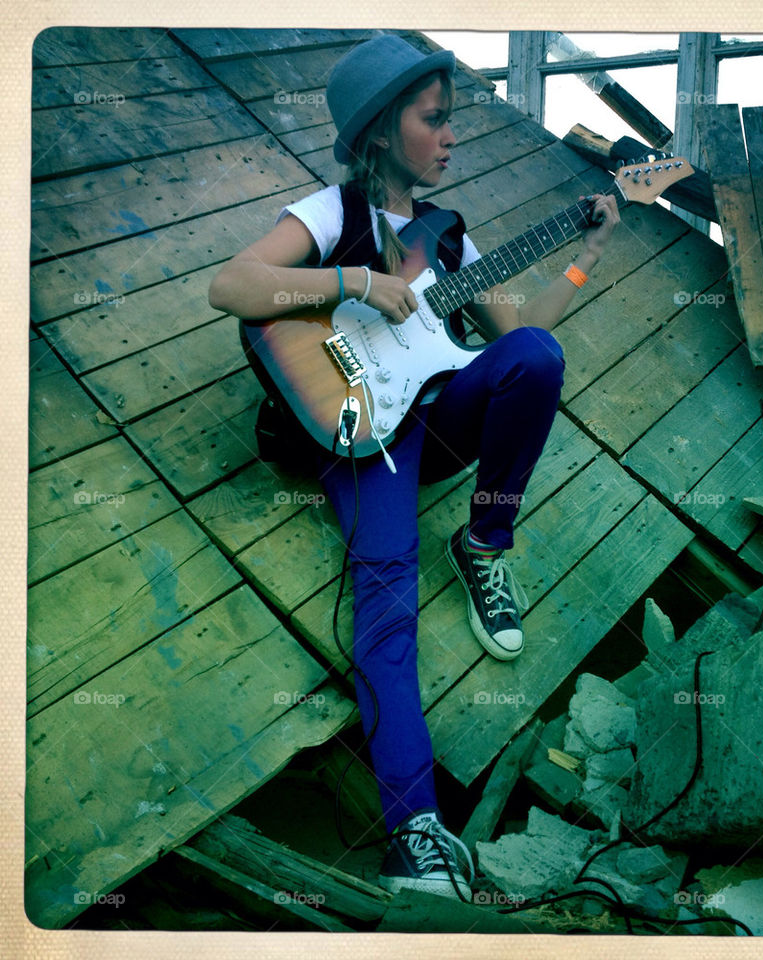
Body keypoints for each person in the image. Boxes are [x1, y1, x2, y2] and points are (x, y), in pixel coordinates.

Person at [208, 33, 619, 900]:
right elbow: (235, 288)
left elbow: (525, 337)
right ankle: (413, 834)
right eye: (435, 119)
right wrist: (351, 283)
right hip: (363, 423)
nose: (450, 135)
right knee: (385, 593)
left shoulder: (448, 237)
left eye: (450, 119)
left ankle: (484, 543)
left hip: (444, 414)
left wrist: (587, 255)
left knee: (538, 359)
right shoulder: (328, 214)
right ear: (381, 130)